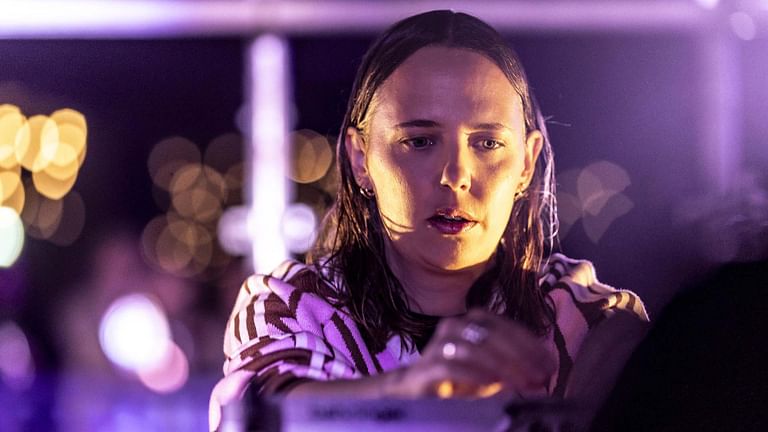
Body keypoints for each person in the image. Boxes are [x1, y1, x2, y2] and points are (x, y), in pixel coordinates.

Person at [210, 10, 648, 430]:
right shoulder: (294, 305)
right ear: (360, 159)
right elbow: (264, 412)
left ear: (527, 163)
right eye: (420, 141)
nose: (455, 175)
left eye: (487, 143)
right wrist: (408, 396)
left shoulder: (583, 319)